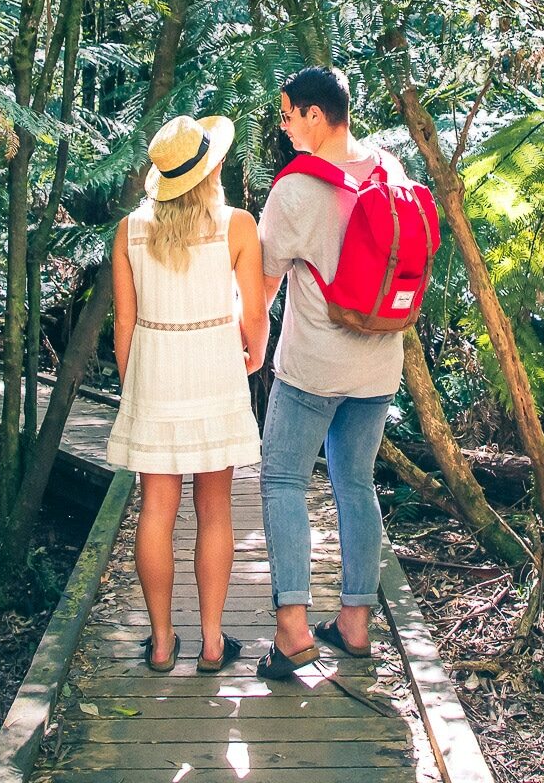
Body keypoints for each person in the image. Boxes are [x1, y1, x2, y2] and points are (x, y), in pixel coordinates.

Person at [256, 67, 406, 679]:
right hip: (378, 365)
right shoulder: (390, 169)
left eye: (289, 115)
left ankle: (292, 629)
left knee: (283, 479)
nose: (285, 127)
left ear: (316, 115)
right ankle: (354, 623)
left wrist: (249, 345)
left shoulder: (293, 190)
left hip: (313, 367)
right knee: (355, 484)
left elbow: (264, 282)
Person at [107, 114, 267, 674]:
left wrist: (134, 387)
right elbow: (254, 313)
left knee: (156, 510)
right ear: (211, 169)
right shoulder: (238, 225)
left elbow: (123, 325)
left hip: (156, 375)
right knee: (215, 509)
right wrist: (256, 352)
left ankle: (160, 641)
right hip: (214, 374)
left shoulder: (129, 231)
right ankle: (213, 642)